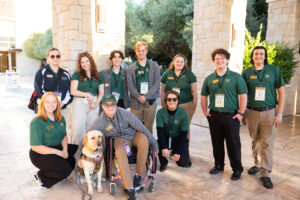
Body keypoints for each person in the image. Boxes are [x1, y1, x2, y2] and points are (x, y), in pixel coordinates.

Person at [88, 94, 159, 200]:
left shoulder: (124, 113)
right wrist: (83, 154)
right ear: (102, 106)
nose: (110, 107)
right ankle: (129, 188)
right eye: (107, 105)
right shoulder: (100, 121)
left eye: (113, 104)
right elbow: (89, 135)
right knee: (120, 152)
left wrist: (155, 145)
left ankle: (138, 175)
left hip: (134, 134)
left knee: (144, 140)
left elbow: (142, 128)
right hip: (120, 140)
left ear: (116, 105)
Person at [200, 48, 248, 180]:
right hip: (214, 115)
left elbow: (243, 95)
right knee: (217, 143)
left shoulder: (236, 77)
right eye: (216, 58)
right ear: (214, 61)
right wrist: (205, 111)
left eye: (222, 58)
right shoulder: (209, 79)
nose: (219, 60)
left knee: (233, 143)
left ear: (227, 60)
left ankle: (237, 169)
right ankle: (219, 165)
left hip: (231, 116)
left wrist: (241, 113)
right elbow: (203, 96)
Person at [242, 46, 285, 189]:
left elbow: (282, 92)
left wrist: (279, 113)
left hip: (269, 112)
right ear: (252, 56)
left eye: (261, 54)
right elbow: (243, 94)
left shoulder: (274, 70)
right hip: (252, 111)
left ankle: (265, 172)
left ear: (265, 56)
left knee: (267, 142)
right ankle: (256, 163)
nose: (258, 56)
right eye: (256, 54)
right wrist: (242, 112)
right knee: (255, 139)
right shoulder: (247, 73)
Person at [29, 92, 78, 189]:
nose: (51, 105)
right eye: (47, 102)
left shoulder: (59, 117)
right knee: (65, 170)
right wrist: (59, 153)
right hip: (40, 154)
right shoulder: (37, 121)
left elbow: (64, 136)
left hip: (57, 147)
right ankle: (42, 176)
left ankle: (57, 169)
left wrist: (64, 150)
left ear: (57, 104)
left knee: (74, 156)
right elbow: (36, 146)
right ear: (42, 104)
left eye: (54, 102)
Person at [160, 54, 197, 141]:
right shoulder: (166, 74)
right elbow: (162, 90)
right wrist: (163, 103)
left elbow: (194, 91)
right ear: (173, 62)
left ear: (184, 63)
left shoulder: (190, 75)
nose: (179, 63)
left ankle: (184, 150)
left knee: (184, 128)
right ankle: (173, 149)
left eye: (181, 61)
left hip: (186, 105)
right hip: (170, 105)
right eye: (177, 61)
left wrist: (194, 105)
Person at [70, 52, 104, 144]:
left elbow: (101, 93)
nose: (85, 64)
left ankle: (90, 154)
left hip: (94, 105)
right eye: (82, 62)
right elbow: (73, 91)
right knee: (78, 131)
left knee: (92, 131)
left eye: (87, 61)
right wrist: (86, 94)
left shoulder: (98, 75)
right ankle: (79, 152)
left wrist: (96, 104)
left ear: (91, 61)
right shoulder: (77, 74)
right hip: (80, 104)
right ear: (80, 64)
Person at [126, 41, 160, 134]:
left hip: (150, 103)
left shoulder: (154, 66)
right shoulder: (131, 68)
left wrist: (146, 96)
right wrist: (139, 97)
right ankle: (138, 147)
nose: (141, 53)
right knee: (136, 128)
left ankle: (148, 147)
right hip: (135, 103)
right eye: (138, 51)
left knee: (148, 128)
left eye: (143, 50)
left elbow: (157, 83)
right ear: (136, 52)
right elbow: (130, 85)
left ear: (146, 51)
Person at [156, 90, 191, 172]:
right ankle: (164, 163)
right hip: (165, 137)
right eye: (169, 99)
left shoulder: (183, 114)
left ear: (178, 100)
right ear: (166, 101)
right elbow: (160, 132)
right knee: (158, 144)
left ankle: (175, 152)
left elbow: (184, 135)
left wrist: (178, 152)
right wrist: (164, 148)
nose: (172, 101)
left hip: (178, 138)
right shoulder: (160, 112)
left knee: (184, 164)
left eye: (174, 99)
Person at [34, 48, 72, 118]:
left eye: (58, 56)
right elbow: (38, 90)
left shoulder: (66, 74)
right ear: (47, 58)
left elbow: (69, 92)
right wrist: (50, 104)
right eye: (52, 56)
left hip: (61, 108)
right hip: (46, 108)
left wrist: (63, 103)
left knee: (60, 128)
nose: (55, 58)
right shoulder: (41, 72)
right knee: (46, 128)